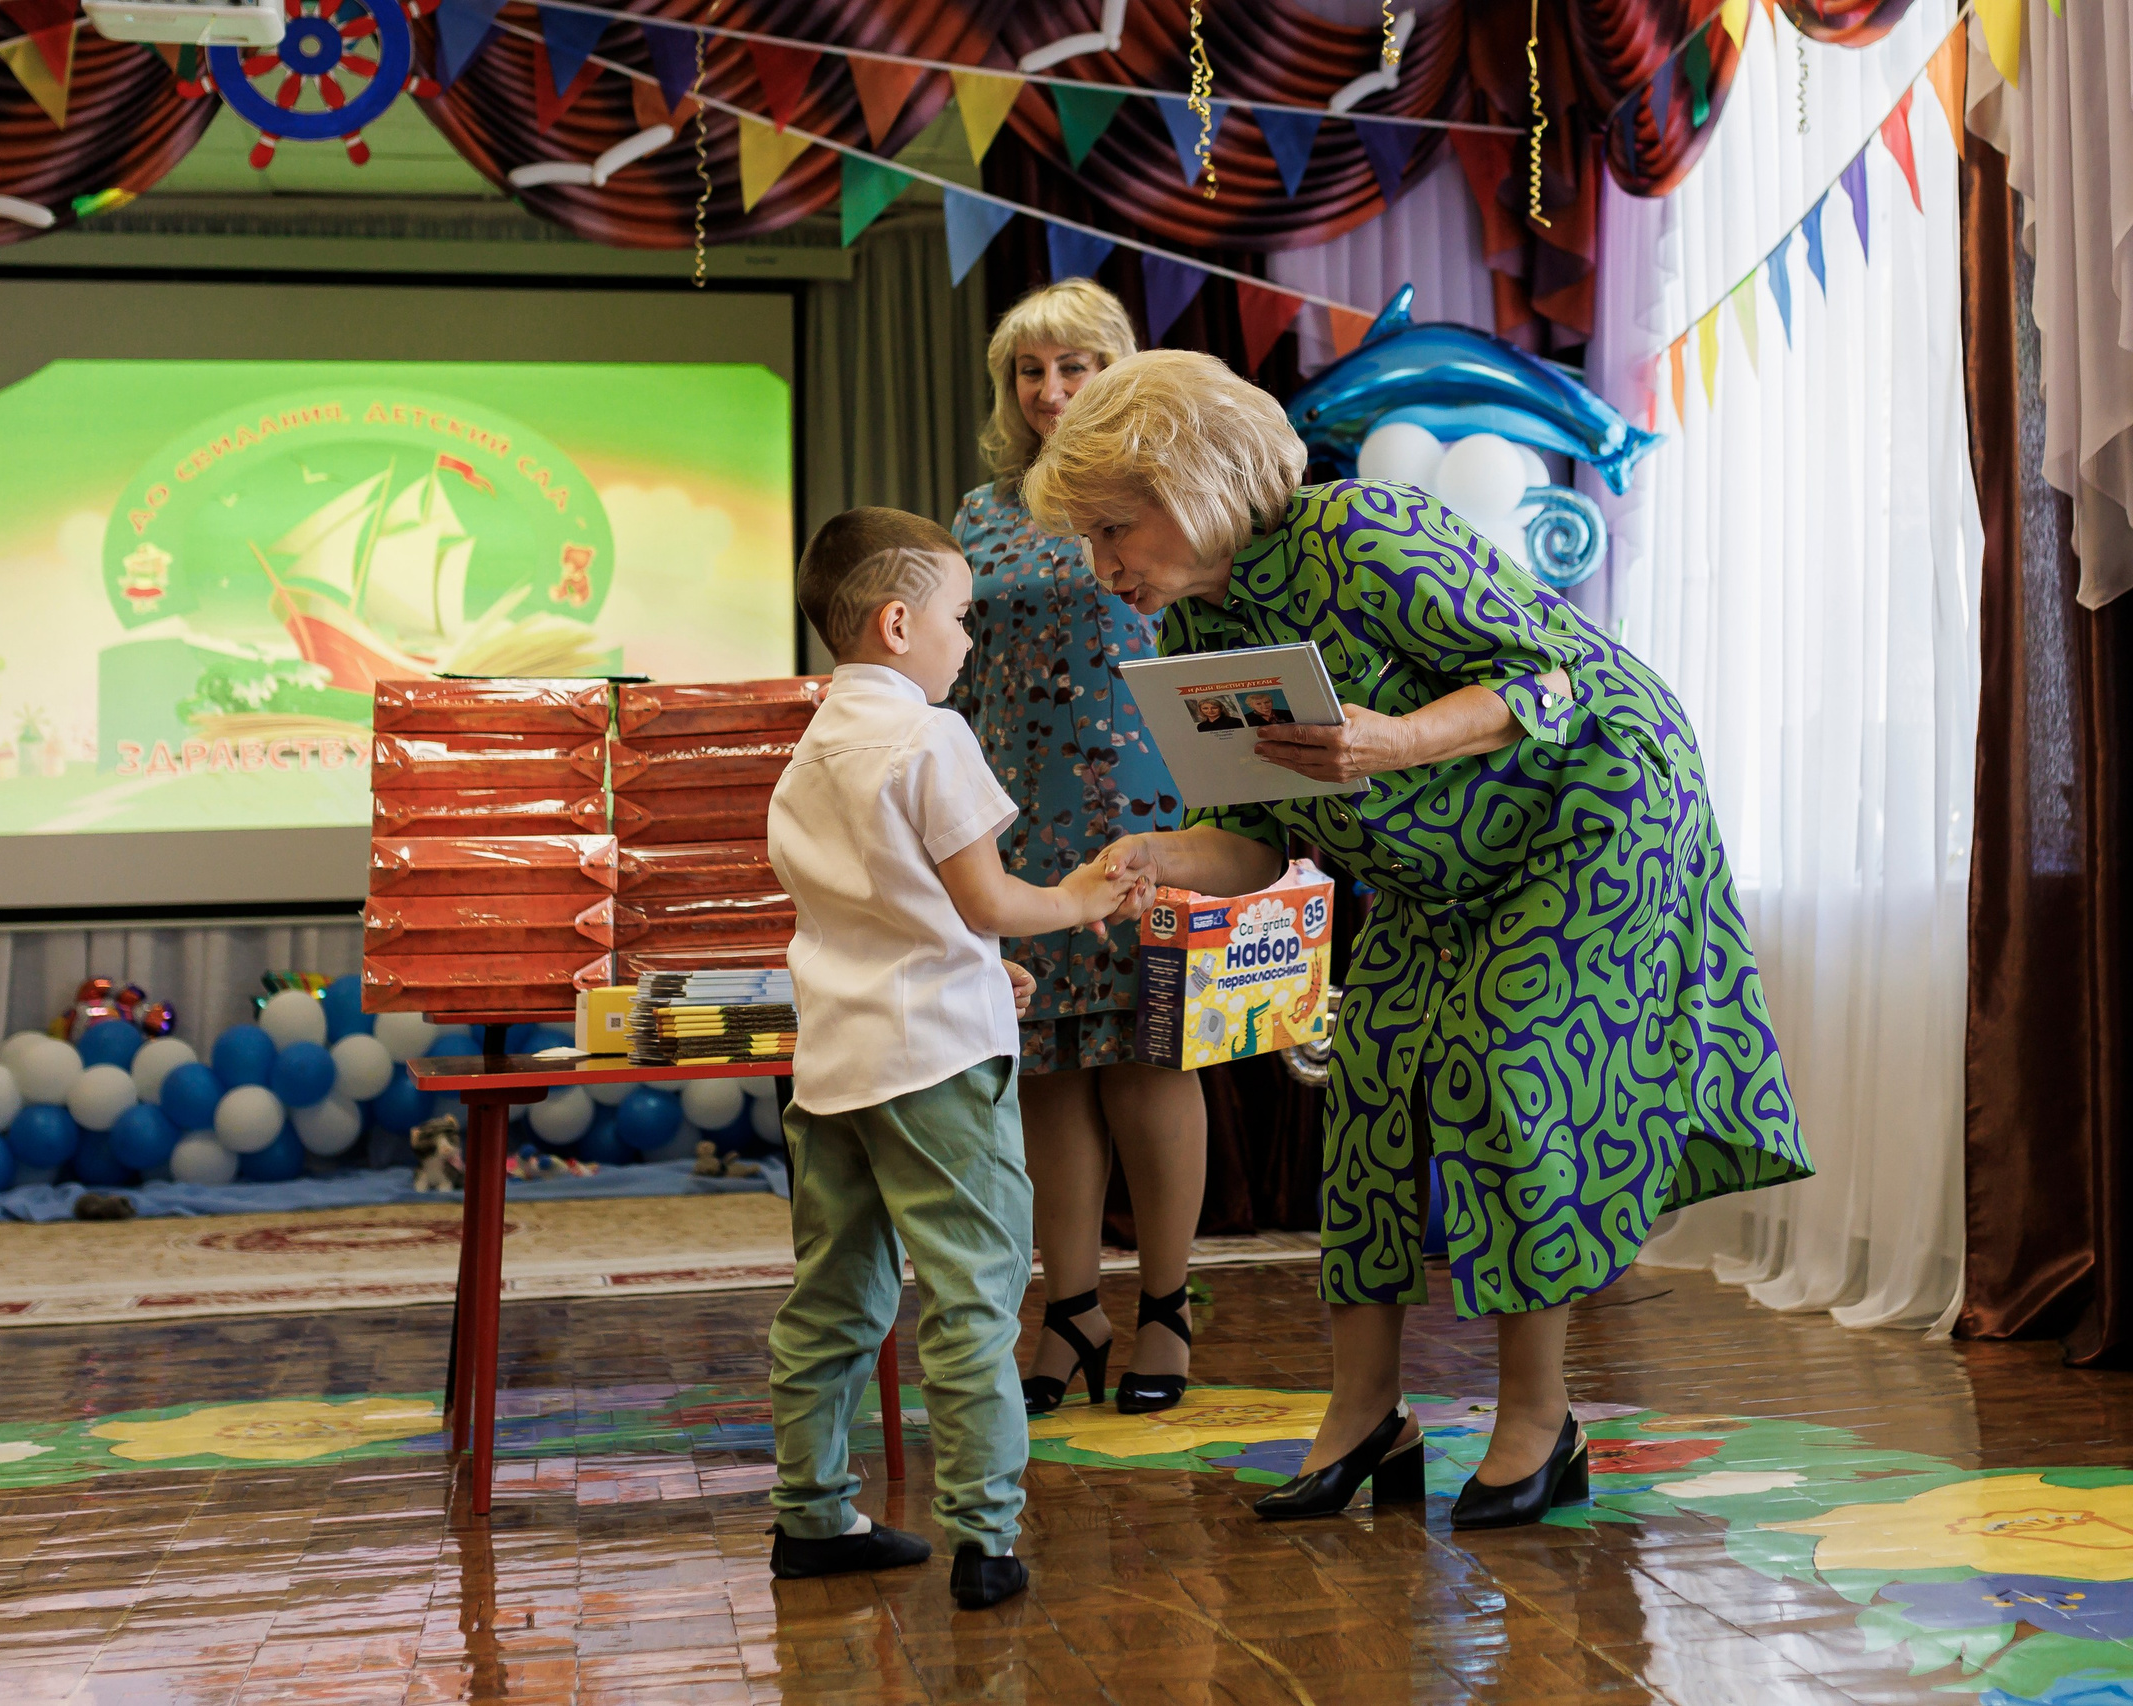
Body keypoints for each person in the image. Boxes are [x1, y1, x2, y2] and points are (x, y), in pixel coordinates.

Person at [1021, 352, 1812, 1530]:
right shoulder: (1202, 614)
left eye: (1110, 527)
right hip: (1441, 870)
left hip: (1590, 812)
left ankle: (1542, 1419)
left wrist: (1397, 742)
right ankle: (1365, 1413)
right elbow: (1254, 836)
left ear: (1186, 477)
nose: (1104, 564)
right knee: (1373, 1077)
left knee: (1505, 1073)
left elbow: (1562, 676)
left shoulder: (1364, 531)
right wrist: (1151, 859)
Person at [764, 506, 1141, 1607]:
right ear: (897, 622)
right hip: (936, 1062)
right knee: (974, 1295)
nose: (969, 639)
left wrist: (976, 960)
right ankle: (985, 1536)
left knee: (833, 1296)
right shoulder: (932, 734)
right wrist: (1073, 899)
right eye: (961, 616)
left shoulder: (810, 747)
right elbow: (985, 896)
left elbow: (878, 910)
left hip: (835, 1063)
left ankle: (810, 1513)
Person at [950, 279, 1203, 1420]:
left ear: (1119, 368)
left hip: (1145, 808)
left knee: (1152, 1063)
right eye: (1029, 369)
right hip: (1019, 816)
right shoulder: (978, 510)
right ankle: (1070, 1310)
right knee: (1045, 1070)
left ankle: (1166, 1308)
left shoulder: (1172, 491)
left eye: (1074, 365)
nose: (1048, 389)